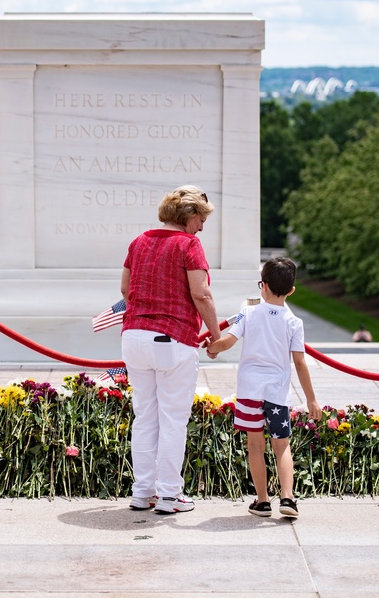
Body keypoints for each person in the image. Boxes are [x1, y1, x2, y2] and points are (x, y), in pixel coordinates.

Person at [121, 185, 221, 515]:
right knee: (173, 420)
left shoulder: (138, 243)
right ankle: (168, 495)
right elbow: (202, 294)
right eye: (201, 219)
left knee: (145, 417)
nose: (202, 227)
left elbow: (125, 288)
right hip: (171, 338)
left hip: (134, 336)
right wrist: (216, 334)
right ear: (189, 216)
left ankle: (142, 492)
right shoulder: (189, 244)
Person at [206, 256, 322, 519]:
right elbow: (300, 363)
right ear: (292, 290)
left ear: (263, 285)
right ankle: (288, 498)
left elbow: (228, 341)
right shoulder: (294, 323)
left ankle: (262, 501)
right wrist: (311, 399)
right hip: (277, 394)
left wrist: (213, 347)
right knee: (282, 446)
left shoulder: (249, 311)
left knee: (255, 446)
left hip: (250, 392)